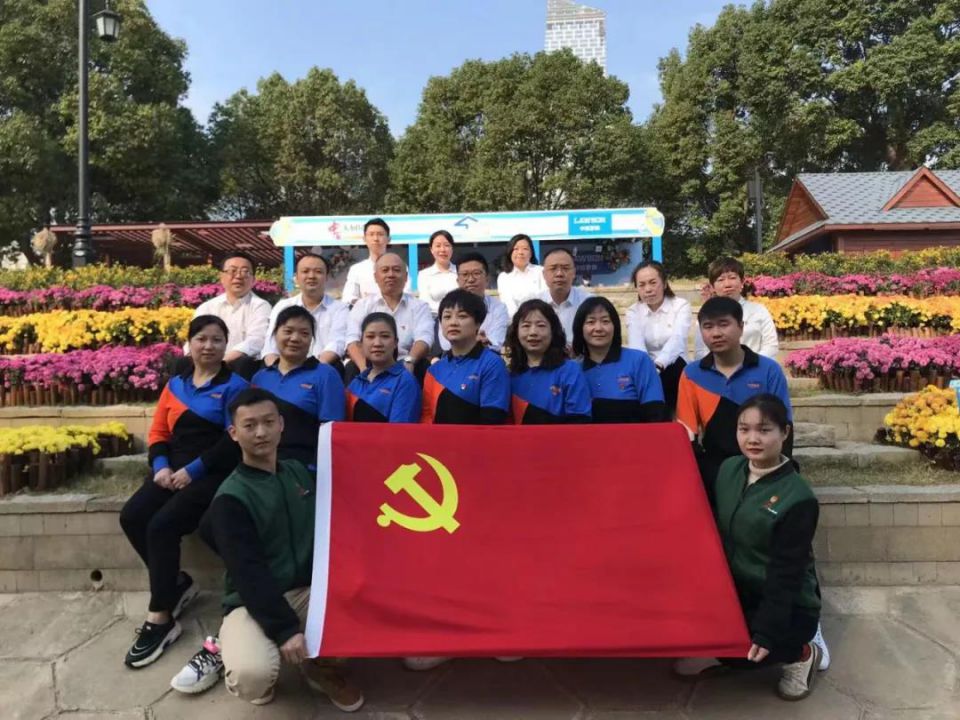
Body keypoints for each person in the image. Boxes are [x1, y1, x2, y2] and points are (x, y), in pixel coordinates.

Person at [199, 388, 364, 711]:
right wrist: (285, 630)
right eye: (249, 426)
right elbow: (247, 573)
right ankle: (241, 646)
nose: (261, 432)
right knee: (252, 675)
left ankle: (319, 668)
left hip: (305, 592)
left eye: (268, 422)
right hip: (249, 599)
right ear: (233, 433)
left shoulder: (298, 472)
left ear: (281, 425)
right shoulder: (232, 497)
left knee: (361, 610)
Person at [674, 394, 823, 702]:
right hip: (735, 589)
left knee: (749, 651)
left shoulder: (798, 498)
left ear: (785, 432)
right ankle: (723, 651)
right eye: (744, 429)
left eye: (764, 430)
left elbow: (786, 574)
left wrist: (767, 631)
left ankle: (801, 654)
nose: (753, 439)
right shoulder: (729, 469)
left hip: (786, 601)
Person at [119, 315, 249, 669]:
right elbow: (159, 432)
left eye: (217, 339)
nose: (209, 346)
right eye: (201, 338)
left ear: (226, 345)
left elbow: (233, 440)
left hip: (212, 473)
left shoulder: (235, 386)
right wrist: (160, 466)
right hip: (170, 471)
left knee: (161, 526)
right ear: (189, 343)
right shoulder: (175, 385)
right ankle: (174, 585)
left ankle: (161, 617)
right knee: (132, 517)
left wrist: (193, 472)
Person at [676, 296, 793, 502]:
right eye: (708, 326)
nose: (716, 333)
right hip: (716, 468)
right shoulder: (692, 374)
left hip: (762, 464)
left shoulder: (769, 370)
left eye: (724, 324)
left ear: (741, 327)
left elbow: (785, 427)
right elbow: (687, 434)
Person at [252, 306, 345, 467]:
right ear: (275, 334)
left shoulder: (326, 375)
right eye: (288, 331)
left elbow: (331, 431)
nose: (295, 338)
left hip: (302, 467)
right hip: (260, 465)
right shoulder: (260, 378)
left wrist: (314, 470)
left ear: (311, 339)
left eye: (304, 333)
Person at [572, 296, 667, 423]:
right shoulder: (572, 370)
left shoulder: (639, 361)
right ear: (580, 328)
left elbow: (656, 414)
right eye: (591, 322)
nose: (598, 328)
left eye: (605, 321)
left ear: (615, 326)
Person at [422, 289, 511, 424]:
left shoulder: (492, 364)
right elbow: (426, 419)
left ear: (478, 323)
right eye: (447, 317)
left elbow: (493, 421)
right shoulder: (434, 370)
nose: (453, 322)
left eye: (462, 316)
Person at [344, 253, 434, 383]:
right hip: (371, 363)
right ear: (376, 277)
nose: (390, 274)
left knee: (423, 366)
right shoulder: (362, 306)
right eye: (385, 270)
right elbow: (352, 340)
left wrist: (410, 361)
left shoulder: (419, 306)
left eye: (396, 270)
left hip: (406, 362)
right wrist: (365, 369)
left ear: (406, 277)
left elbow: (424, 338)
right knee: (351, 368)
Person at [188, 252, 272, 380]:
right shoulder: (207, 307)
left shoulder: (260, 306)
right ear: (222, 277)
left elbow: (257, 340)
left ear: (253, 279)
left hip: (241, 367)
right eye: (232, 271)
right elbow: (193, 338)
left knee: (243, 362)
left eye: (245, 272)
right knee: (182, 363)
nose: (238, 276)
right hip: (207, 362)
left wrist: (222, 362)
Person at [261, 253, 348, 376]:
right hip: (283, 369)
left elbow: (337, 343)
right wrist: (276, 369)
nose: (311, 276)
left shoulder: (339, 308)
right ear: (296, 277)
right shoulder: (282, 306)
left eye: (318, 272)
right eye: (305, 271)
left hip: (320, 368)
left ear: (326, 277)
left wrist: (309, 370)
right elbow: (270, 343)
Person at [507, 299, 591, 424]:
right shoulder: (509, 375)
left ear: (553, 331)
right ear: (516, 332)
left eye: (541, 325)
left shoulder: (570, 371)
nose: (533, 332)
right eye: (526, 326)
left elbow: (580, 421)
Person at [626, 260, 692, 413]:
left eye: (653, 283)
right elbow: (636, 345)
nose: (648, 289)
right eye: (642, 285)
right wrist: (649, 370)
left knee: (673, 369)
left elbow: (677, 339)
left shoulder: (681, 305)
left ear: (665, 283)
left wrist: (659, 365)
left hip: (674, 365)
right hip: (646, 368)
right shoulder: (633, 311)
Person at [694, 256, 778, 360]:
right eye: (720, 280)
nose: (727, 284)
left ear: (742, 282)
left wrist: (751, 364)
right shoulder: (706, 314)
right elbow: (701, 351)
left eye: (732, 278)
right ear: (712, 287)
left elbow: (771, 346)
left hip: (756, 367)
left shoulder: (759, 310)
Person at [346, 313, 422, 422]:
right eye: (370, 337)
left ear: (395, 343)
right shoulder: (356, 382)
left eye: (385, 336)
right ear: (361, 343)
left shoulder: (405, 382)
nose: (377, 343)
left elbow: (401, 430)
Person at [438, 252, 510, 354]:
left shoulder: (498, 307)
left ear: (487, 279)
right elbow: (445, 344)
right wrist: (473, 342)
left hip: (486, 355)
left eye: (476, 273)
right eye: (465, 274)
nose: (471, 279)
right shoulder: (448, 305)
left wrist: (481, 342)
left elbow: (496, 342)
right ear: (458, 281)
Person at [341, 218, 410, 306]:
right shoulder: (356, 270)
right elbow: (348, 298)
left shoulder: (400, 267)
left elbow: (407, 295)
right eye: (371, 234)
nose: (376, 238)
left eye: (380, 234)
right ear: (364, 239)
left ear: (388, 239)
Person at [537, 247, 591, 346]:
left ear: (574, 273)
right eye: (553, 268)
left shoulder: (589, 302)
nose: (559, 274)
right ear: (544, 274)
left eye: (565, 268)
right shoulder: (533, 304)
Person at [496, 234, 547, 316]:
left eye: (525, 249)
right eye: (516, 249)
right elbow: (508, 305)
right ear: (510, 253)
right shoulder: (504, 277)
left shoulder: (541, 272)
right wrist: (520, 321)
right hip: (515, 320)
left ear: (531, 253)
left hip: (541, 317)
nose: (520, 252)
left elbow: (546, 298)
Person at [417, 230, 459, 317]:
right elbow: (425, 303)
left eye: (446, 245)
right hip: (433, 319)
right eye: (438, 246)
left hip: (459, 318)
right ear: (431, 250)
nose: (442, 250)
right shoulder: (424, 275)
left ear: (452, 248)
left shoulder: (461, 272)